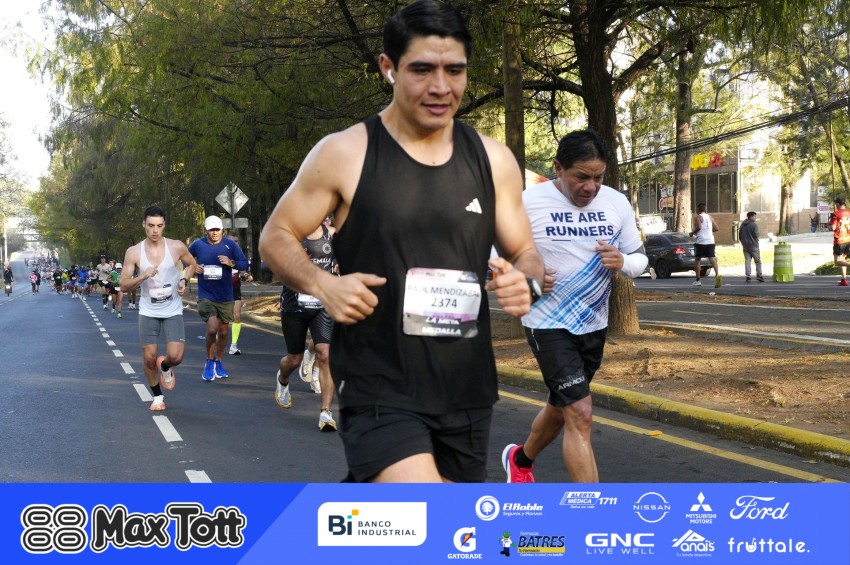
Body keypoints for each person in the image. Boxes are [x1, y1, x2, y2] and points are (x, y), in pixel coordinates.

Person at [258, 0, 543, 483]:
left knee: (442, 526)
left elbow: (526, 254)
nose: (441, 87)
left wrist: (526, 282)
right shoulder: (345, 153)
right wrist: (323, 285)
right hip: (378, 381)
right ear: (388, 68)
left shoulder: (493, 161)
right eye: (422, 69)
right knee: (424, 510)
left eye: (455, 70)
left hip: (465, 385)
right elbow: (274, 236)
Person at [501, 129, 648, 483]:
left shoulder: (616, 203)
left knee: (562, 407)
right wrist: (526, 278)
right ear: (558, 168)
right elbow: (496, 258)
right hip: (546, 321)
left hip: (593, 323)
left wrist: (623, 262)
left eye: (598, 177)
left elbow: (640, 258)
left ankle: (520, 460)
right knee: (580, 411)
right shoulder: (527, 203)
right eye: (581, 177)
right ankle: (590, 507)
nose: (590, 187)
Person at [119, 205, 197, 411]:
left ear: (164, 226)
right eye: (151, 225)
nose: (155, 230)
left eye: (159, 226)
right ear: (143, 224)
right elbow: (123, 285)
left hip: (172, 308)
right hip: (148, 310)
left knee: (176, 357)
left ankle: (165, 366)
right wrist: (143, 276)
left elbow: (191, 265)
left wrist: (184, 280)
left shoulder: (176, 246)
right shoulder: (134, 252)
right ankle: (157, 397)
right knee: (149, 357)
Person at [274, 220, 339, 431]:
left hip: (322, 305)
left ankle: (326, 413)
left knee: (325, 353)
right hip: (294, 307)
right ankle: (283, 379)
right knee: (294, 359)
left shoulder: (332, 234)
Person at [189, 215, 250, 381]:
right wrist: (194, 267)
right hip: (206, 294)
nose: (214, 233)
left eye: (217, 230)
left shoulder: (230, 245)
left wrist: (231, 263)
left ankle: (218, 362)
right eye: (211, 230)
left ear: (222, 230)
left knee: (223, 332)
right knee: (212, 328)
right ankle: (209, 361)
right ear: (205, 230)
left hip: (225, 295)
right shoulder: (198, 244)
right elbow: (185, 259)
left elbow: (244, 263)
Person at [227, 234, 252, 355]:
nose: (235, 243)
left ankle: (233, 345)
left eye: (236, 241)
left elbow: (242, 269)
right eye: (232, 241)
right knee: (220, 319)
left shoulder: (238, 254)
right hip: (221, 289)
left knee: (236, 316)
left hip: (235, 288)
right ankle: (216, 338)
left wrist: (245, 275)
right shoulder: (220, 253)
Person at [689, 202, 721, 287]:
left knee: (697, 259)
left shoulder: (698, 217)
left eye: (696, 209)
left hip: (701, 241)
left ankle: (698, 280)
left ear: (698, 209)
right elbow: (716, 228)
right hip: (710, 240)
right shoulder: (710, 217)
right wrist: (708, 231)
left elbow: (699, 227)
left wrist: (692, 233)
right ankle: (717, 275)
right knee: (712, 258)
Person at [829, 196, 850, 286]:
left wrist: (829, 226)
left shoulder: (836, 214)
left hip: (839, 240)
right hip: (848, 239)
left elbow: (833, 227)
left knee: (837, 261)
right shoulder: (849, 212)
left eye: (835, 204)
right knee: (842, 259)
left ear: (838, 204)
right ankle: (844, 280)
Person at [738, 211, 764, 283]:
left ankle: (748, 276)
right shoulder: (754, 225)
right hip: (754, 246)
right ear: (751, 217)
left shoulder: (742, 225)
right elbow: (756, 235)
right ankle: (759, 275)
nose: (755, 218)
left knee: (747, 261)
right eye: (755, 216)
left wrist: (743, 243)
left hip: (745, 246)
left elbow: (740, 236)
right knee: (758, 261)